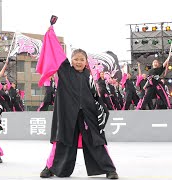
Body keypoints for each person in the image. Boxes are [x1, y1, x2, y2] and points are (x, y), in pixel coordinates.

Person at [37, 26, 118, 179]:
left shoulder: (89, 76)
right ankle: (50, 168)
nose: (79, 62)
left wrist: (101, 109)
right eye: (76, 59)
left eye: (82, 59)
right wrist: (51, 32)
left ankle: (109, 169)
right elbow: (56, 53)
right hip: (67, 114)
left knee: (97, 142)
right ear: (71, 60)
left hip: (88, 114)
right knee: (61, 141)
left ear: (86, 62)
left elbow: (95, 95)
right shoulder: (65, 71)